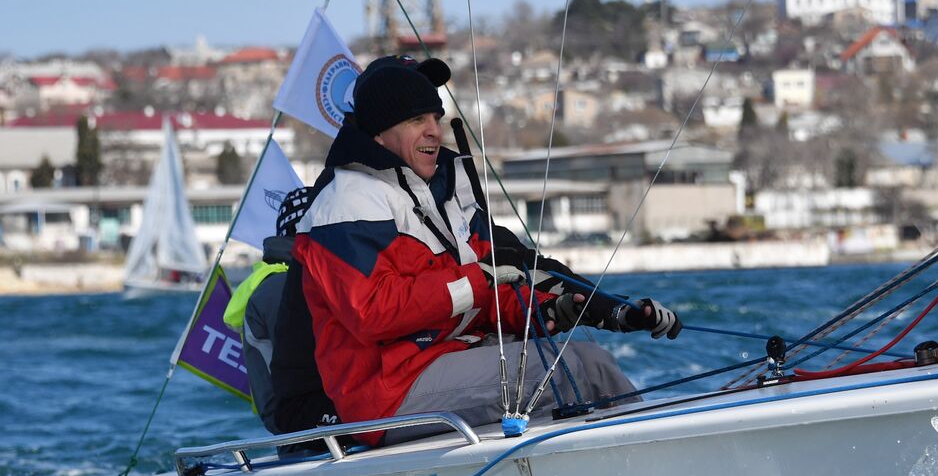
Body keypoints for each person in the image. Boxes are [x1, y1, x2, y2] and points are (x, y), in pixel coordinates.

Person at [293, 55, 681, 436]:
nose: (434, 131)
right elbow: (373, 312)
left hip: (448, 360)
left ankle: (631, 462)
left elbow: (494, 284)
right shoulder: (346, 202)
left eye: (436, 118)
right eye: (417, 120)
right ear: (379, 133)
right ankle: (657, 463)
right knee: (582, 369)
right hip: (389, 390)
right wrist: (478, 280)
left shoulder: (437, 192)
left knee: (587, 366)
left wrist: (557, 310)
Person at [224, 188, 339, 435]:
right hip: (299, 421)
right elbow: (308, 366)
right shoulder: (279, 287)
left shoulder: (296, 280)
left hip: (310, 413)